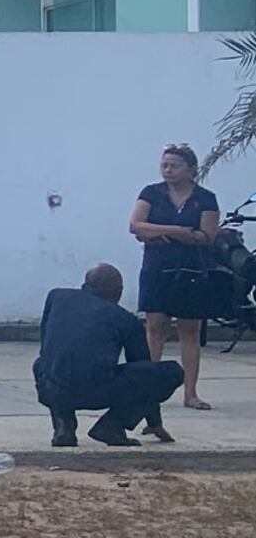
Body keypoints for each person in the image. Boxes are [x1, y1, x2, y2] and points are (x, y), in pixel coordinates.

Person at [34, 264, 185, 447]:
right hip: (93, 391)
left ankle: (63, 426)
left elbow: (46, 343)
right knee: (171, 372)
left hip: (51, 389)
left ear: (85, 285)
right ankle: (113, 425)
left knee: (44, 363)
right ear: (118, 291)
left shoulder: (56, 297)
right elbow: (146, 372)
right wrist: (154, 422)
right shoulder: (124, 319)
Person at [129, 143, 220, 414]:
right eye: (164, 165)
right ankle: (149, 390)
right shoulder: (151, 193)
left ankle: (190, 393)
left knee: (189, 331)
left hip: (191, 270)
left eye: (174, 165)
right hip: (157, 268)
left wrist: (159, 233)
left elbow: (207, 236)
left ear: (191, 170)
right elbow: (135, 225)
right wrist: (177, 230)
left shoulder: (205, 198)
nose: (168, 170)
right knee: (155, 328)